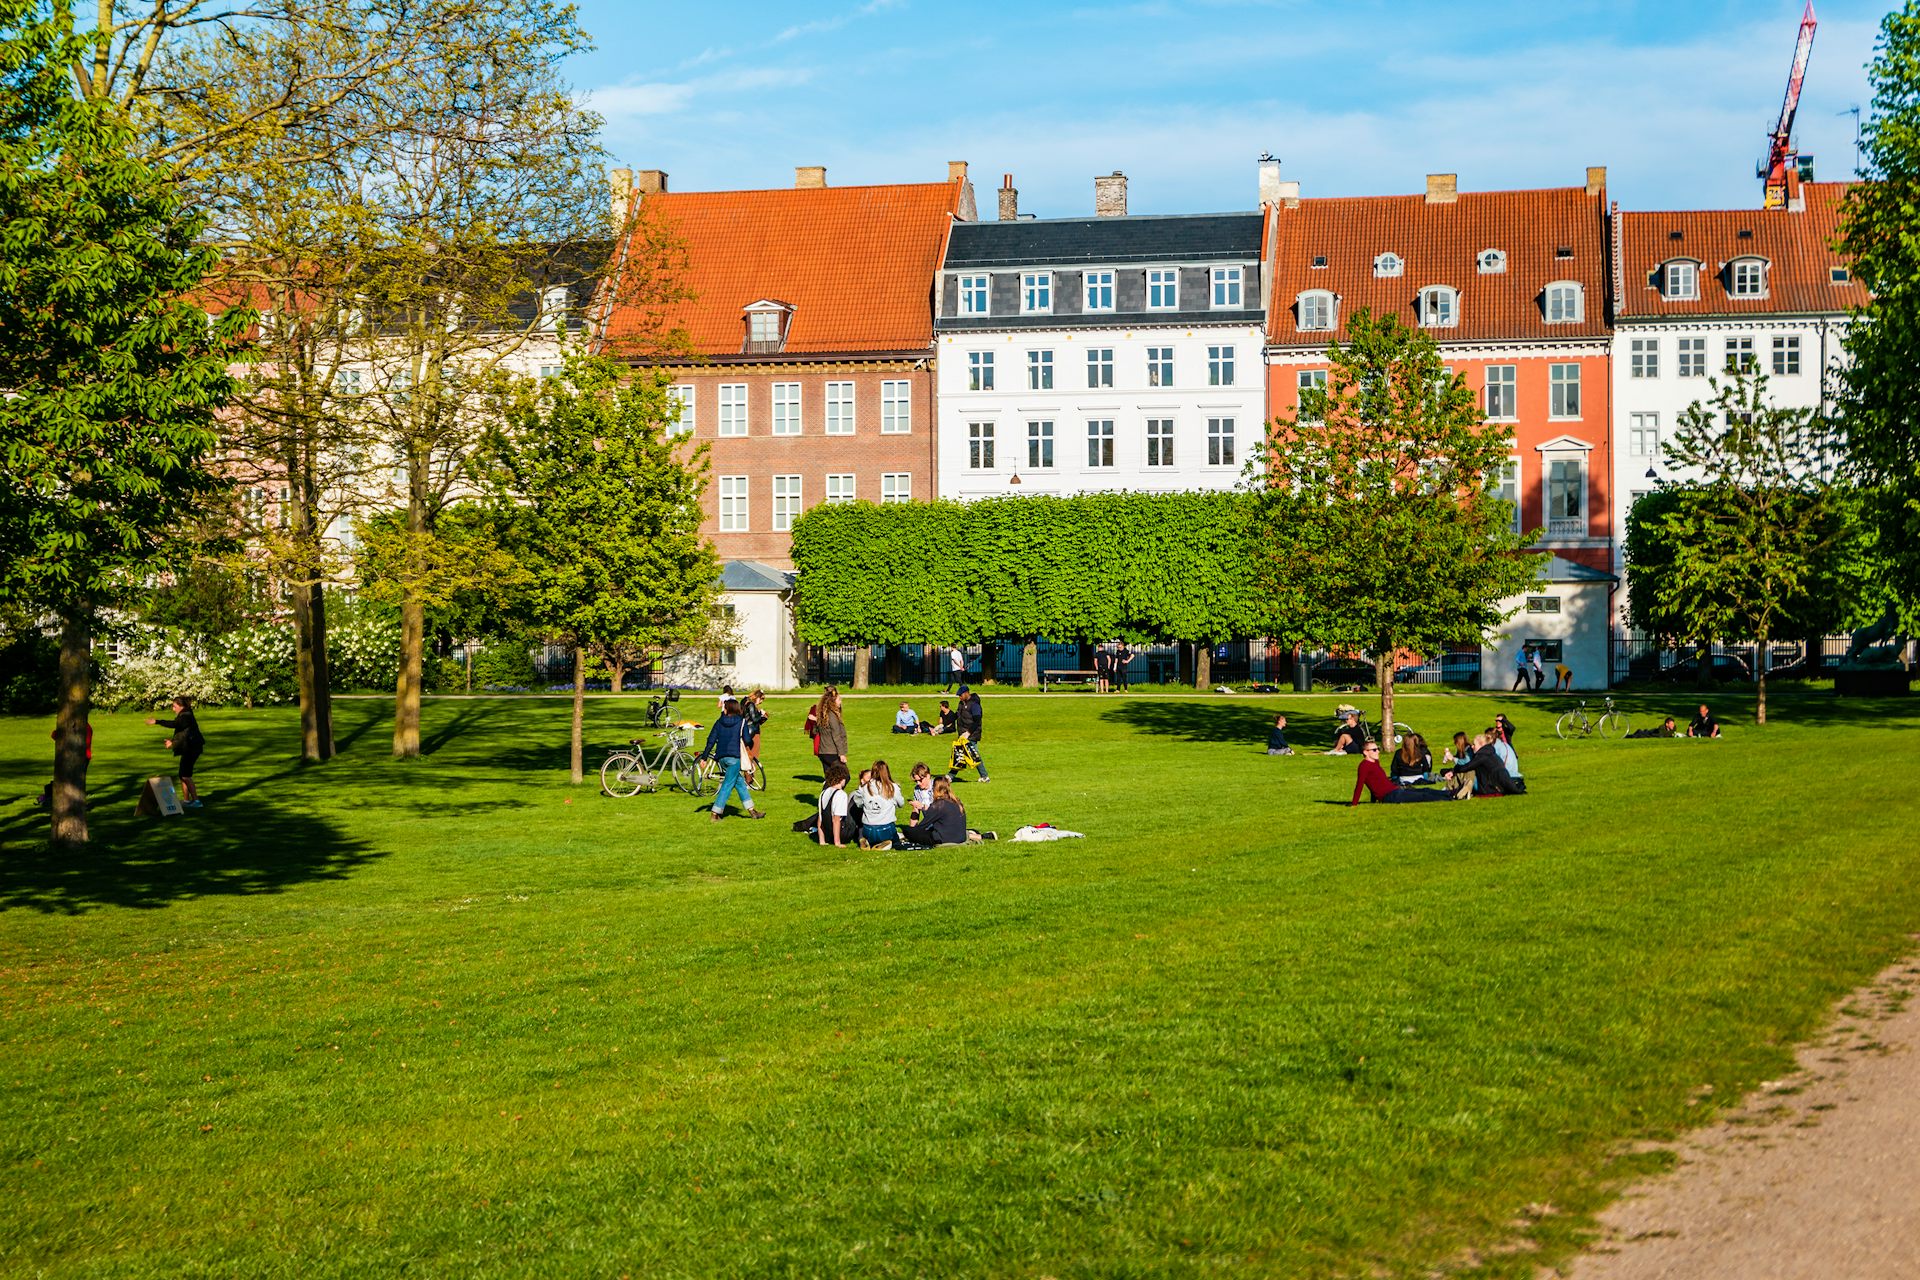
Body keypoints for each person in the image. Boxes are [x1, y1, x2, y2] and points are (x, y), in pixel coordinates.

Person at [702, 698, 765, 822]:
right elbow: (747, 740)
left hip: (721, 758)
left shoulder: (719, 722)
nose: (723, 709)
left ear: (728, 709)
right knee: (727, 785)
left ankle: (752, 811)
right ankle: (715, 813)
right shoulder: (741, 722)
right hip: (734, 758)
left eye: (724, 707)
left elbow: (711, 740)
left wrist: (704, 757)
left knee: (740, 783)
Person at [146, 697, 206, 808]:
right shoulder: (184, 715)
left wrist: (157, 721)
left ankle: (197, 802)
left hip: (192, 748)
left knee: (186, 775)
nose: (173, 709)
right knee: (182, 774)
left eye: (174, 706)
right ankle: (187, 801)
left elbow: (174, 724)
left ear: (181, 706)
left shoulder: (186, 716)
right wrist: (172, 742)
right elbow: (182, 733)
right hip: (189, 747)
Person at [1351, 741, 1452, 805]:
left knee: (1425, 790)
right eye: (1374, 750)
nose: (1377, 751)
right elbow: (1360, 784)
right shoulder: (1364, 766)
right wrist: (1354, 804)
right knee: (1422, 796)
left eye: (1378, 749)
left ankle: (1451, 793)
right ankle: (1450, 798)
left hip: (1395, 790)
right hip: (1390, 796)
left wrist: (1373, 801)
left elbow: (1376, 783)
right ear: (1365, 752)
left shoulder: (1375, 762)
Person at [35, 719, 93, 810]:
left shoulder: (82, 728)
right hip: (83, 757)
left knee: (74, 781)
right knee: (76, 780)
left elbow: (55, 735)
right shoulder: (84, 727)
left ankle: (76, 803)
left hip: (79, 757)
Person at [898, 777, 970, 846]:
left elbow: (923, 825)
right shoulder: (956, 801)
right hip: (960, 837)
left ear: (935, 789)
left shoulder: (939, 804)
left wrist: (910, 831)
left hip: (944, 839)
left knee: (908, 830)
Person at [852, 759, 906, 849]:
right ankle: (887, 844)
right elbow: (901, 804)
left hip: (867, 829)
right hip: (885, 829)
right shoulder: (892, 787)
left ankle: (867, 841)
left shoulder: (865, 787)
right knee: (895, 839)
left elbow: (858, 803)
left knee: (871, 832)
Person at [948, 686, 991, 782]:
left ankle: (984, 776)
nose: (959, 697)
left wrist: (968, 733)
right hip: (962, 734)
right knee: (961, 754)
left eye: (960, 695)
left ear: (967, 693)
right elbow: (957, 715)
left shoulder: (974, 705)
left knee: (972, 755)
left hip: (971, 734)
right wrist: (945, 724)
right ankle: (951, 776)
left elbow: (977, 721)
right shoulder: (961, 704)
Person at [813, 762, 854, 847]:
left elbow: (820, 819)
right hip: (841, 833)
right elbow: (836, 819)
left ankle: (822, 840)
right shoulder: (841, 794)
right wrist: (837, 842)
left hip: (828, 835)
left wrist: (822, 841)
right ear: (841, 779)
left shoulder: (823, 793)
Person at [814, 685, 848, 778]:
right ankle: (832, 792)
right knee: (845, 776)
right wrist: (841, 754)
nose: (841, 702)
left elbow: (814, 731)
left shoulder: (822, 715)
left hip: (823, 752)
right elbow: (836, 736)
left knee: (830, 779)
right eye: (839, 700)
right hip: (832, 752)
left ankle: (826, 792)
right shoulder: (832, 716)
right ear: (833, 702)